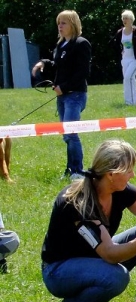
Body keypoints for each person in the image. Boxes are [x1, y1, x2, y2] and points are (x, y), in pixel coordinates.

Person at [41, 139, 136, 302]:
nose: (133, 174)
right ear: (111, 174)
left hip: (95, 256)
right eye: (129, 170)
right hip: (59, 270)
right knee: (117, 277)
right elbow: (109, 254)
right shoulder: (78, 204)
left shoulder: (121, 189)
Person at [31, 10, 91, 180]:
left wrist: (64, 87)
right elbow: (58, 65)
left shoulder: (81, 44)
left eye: (64, 23)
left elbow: (83, 72)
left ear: (73, 24)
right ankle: (70, 169)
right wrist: (43, 62)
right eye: (59, 23)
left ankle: (78, 172)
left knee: (71, 133)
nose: (60, 26)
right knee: (66, 135)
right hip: (62, 96)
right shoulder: (61, 45)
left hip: (75, 95)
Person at [110, 9, 136, 106]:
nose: (124, 20)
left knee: (128, 77)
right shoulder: (120, 32)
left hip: (135, 59)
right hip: (125, 59)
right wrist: (120, 51)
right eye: (123, 18)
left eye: (126, 18)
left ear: (131, 20)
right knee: (128, 79)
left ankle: (129, 102)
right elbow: (113, 43)